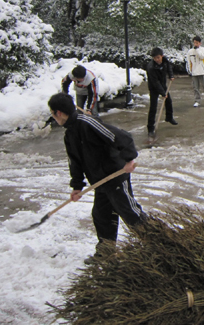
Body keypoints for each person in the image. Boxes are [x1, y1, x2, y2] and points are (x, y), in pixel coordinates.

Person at [47, 92, 145, 262]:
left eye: (52, 114)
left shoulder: (88, 123)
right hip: (100, 181)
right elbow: (75, 162)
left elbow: (122, 137)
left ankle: (158, 242)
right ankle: (106, 252)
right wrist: (77, 186)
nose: (53, 118)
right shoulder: (69, 134)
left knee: (130, 212)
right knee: (101, 217)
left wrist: (129, 159)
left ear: (59, 113)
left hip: (115, 176)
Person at [146, 47, 177, 137]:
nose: (157, 59)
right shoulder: (151, 67)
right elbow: (155, 82)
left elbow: (169, 67)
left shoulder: (165, 61)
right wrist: (163, 93)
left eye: (158, 57)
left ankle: (169, 117)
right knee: (153, 107)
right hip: (153, 87)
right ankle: (150, 128)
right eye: (155, 58)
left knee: (168, 101)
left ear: (162, 56)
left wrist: (171, 75)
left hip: (162, 84)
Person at [186, 36, 204, 108]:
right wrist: (189, 70)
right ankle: (197, 101)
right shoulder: (190, 51)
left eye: (197, 43)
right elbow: (188, 61)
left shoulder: (203, 50)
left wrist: (198, 50)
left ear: (200, 43)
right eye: (194, 43)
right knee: (196, 87)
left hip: (202, 71)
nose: (195, 44)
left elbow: (202, 57)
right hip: (194, 71)